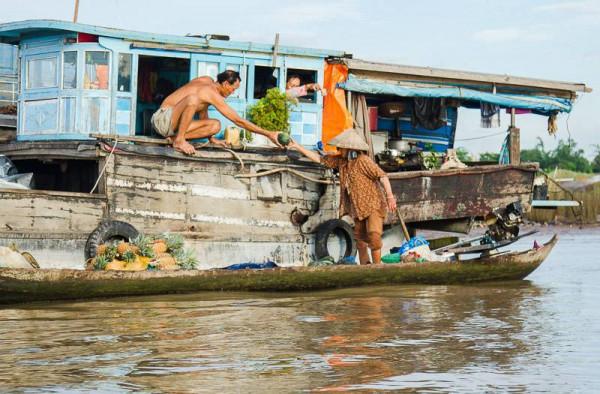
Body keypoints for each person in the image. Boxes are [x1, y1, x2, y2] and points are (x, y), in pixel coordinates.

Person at [288, 129, 397, 265]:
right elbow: (320, 159)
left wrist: (390, 197)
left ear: (350, 148)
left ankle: (377, 268)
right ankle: (366, 267)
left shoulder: (363, 161)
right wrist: (298, 147)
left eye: (342, 148)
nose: (339, 150)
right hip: (358, 208)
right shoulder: (342, 162)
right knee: (360, 241)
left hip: (374, 204)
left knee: (374, 236)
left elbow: (382, 176)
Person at [151, 70, 281, 155]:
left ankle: (173, 139)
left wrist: (211, 138)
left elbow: (202, 111)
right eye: (233, 89)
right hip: (163, 118)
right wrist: (268, 134)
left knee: (215, 126)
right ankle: (179, 140)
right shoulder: (211, 93)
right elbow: (238, 120)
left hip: (170, 124)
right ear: (225, 83)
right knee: (192, 99)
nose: (232, 93)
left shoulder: (207, 80)